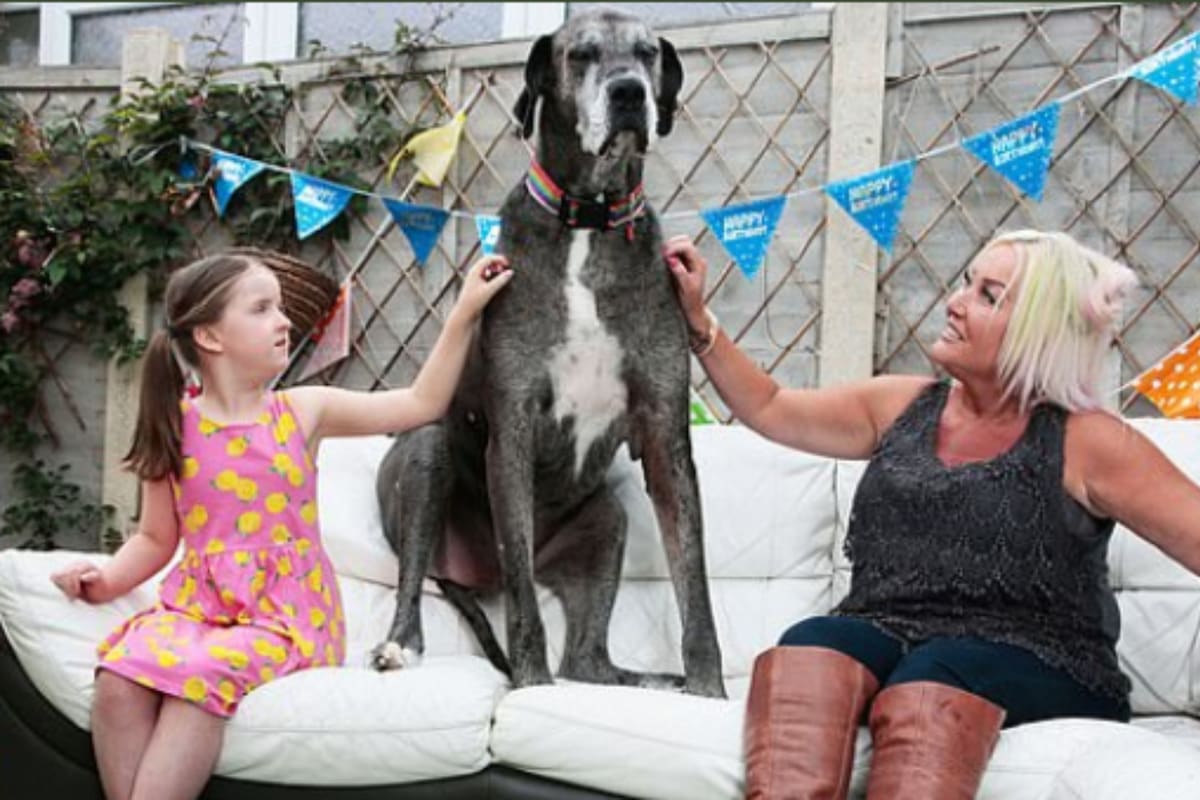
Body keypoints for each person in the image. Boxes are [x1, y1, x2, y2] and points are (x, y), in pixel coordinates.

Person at [665, 229, 1200, 800]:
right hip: (893, 631)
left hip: (1046, 659)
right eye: (967, 282)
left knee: (937, 670)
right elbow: (771, 407)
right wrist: (699, 321)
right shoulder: (900, 406)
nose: (955, 301)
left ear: (1037, 332)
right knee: (812, 639)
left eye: (989, 295)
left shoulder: (1089, 441)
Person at [50, 250, 512, 800]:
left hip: (287, 616)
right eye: (262, 308)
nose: (285, 320)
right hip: (200, 610)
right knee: (118, 680)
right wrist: (103, 582)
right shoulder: (174, 425)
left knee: (197, 684)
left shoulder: (301, 412)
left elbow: (420, 402)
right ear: (211, 337)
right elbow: (155, 538)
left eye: (280, 308)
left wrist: (463, 312)